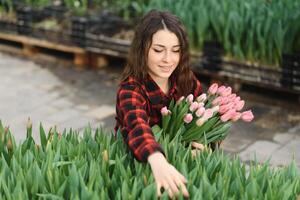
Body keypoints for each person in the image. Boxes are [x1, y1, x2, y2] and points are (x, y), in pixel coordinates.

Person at [114, 9, 204, 198]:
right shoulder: (131, 89)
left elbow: (205, 117)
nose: (168, 59)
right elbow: (137, 126)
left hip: (182, 165)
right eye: (158, 50)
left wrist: (206, 143)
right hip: (140, 165)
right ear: (142, 49)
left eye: (176, 50)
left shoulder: (186, 81)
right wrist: (157, 159)